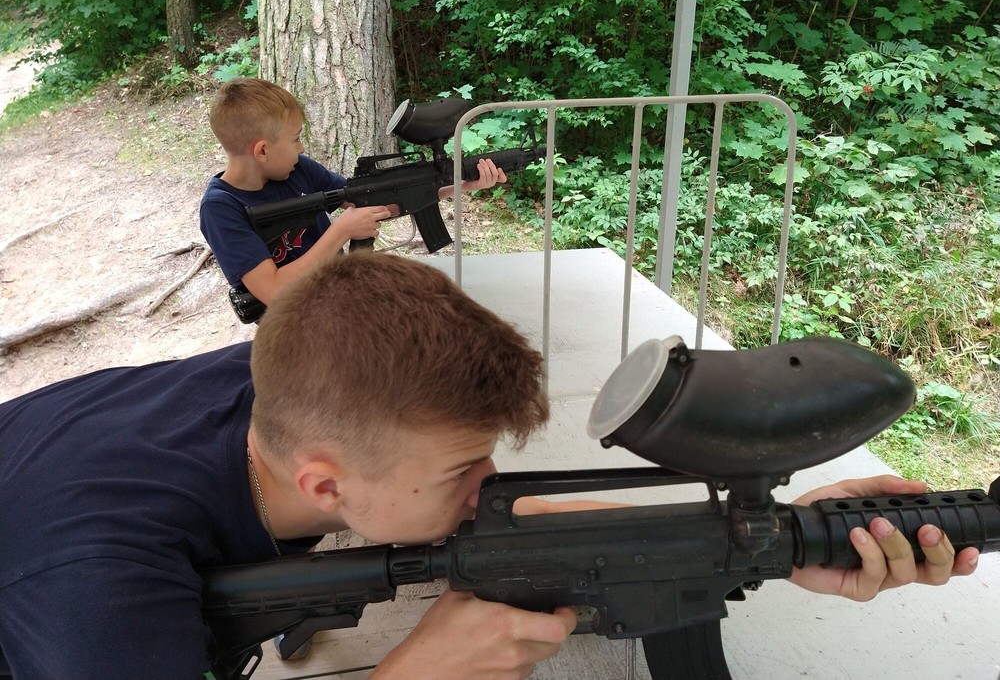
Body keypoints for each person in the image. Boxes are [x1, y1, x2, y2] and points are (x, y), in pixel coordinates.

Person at [0, 255, 981, 680]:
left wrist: (772, 541)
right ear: (324, 487)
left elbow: (459, 517)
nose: (491, 491)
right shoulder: (100, 594)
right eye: (463, 472)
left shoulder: (302, 380)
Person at [199, 77, 506, 309]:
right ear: (262, 151)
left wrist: (461, 185)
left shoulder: (299, 169)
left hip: (339, 293)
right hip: (293, 323)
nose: (301, 148)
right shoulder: (221, 208)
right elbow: (273, 291)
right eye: (295, 139)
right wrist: (342, 231)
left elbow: (374, 202)